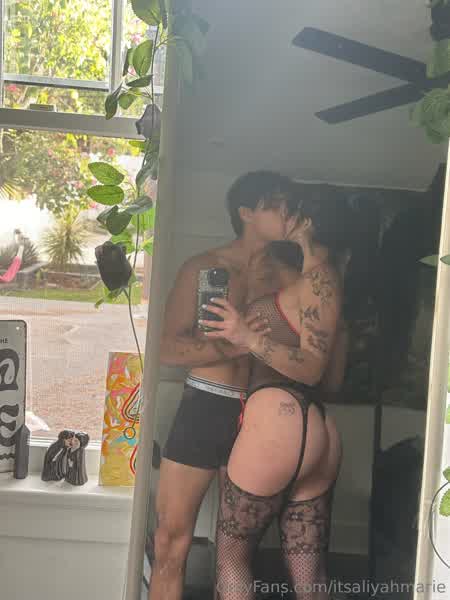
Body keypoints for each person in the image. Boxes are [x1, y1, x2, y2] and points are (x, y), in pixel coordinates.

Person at [149, 171, 300, 600]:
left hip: (262, 412)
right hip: (206, 404)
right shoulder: (203, 267)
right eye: (276, 204)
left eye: (290, 205)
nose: (287, 213)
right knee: (170, 542)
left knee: (238, 553)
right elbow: (166, 349)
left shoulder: (290, 279)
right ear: (246, 212)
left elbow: (310, 357)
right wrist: (232, 347)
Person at [200, 190, 353, 599]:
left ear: (306, 221)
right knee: (310, 578)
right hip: (317, 429)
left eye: (290, 209)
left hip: (277, 420)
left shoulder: (318, 279)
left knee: (232, 560)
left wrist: (246, 336)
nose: (284, 214)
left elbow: (312, 367)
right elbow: (332, 381)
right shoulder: (324, 282)